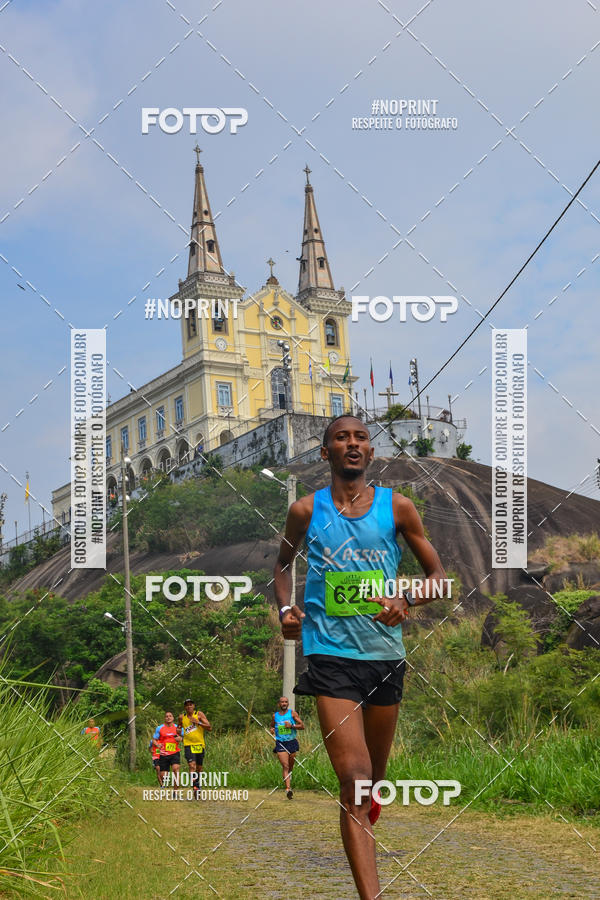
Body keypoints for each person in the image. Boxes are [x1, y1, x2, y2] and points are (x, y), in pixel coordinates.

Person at [274, 415, 448, 900]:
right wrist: (287, 609)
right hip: (330, 658)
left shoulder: (400, 509)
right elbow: (281, 568)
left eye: (360, 438)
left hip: (384, 658)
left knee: (373, 783)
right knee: (354, 782)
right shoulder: (305, 511)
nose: (352, 444)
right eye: (340, 438)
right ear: (325, 452)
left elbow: (438, 576)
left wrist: (406, 599)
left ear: (371, 453)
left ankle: (366, 811)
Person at [270, 696, 304, 799]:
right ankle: (288, 789)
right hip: (280, 743)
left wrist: (292, 726)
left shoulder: (292, 714)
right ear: (279, 704)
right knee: (285, 765)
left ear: (288, 704)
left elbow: (302, 726)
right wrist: (272, 730)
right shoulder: (275, 716)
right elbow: (272, 726)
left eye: (286, 702)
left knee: (290, 766)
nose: (284, 703)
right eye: (282, 702)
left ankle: (289, 776)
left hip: (291, 742)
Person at [178, 699, 211, 793]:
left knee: (199, 768)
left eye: (190, 704)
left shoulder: (199, 714)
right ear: (185, 707)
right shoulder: (181, 717)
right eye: (187, 705)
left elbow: (209, 727)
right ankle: (195, 787)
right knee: (192, 765)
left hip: (199, 744)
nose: (189, 706)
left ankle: (198, 784)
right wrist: (178, 732)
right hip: (188, 744)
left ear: (194, 706)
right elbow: (179, 727)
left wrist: (198, 722)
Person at [152, 711, 182, 788]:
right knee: (163, 776)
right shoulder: (159, 728)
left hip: (175, 752)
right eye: (166, 716)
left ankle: (175, 793)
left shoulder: (177, 728)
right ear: (164, 718)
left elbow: (185, 738)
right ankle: (165, 785)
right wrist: (157, 744)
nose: (168, 717)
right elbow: (154, 739)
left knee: (176, 770)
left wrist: (180, 739)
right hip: (163, 754)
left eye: (170, 716)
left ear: (173, 718)